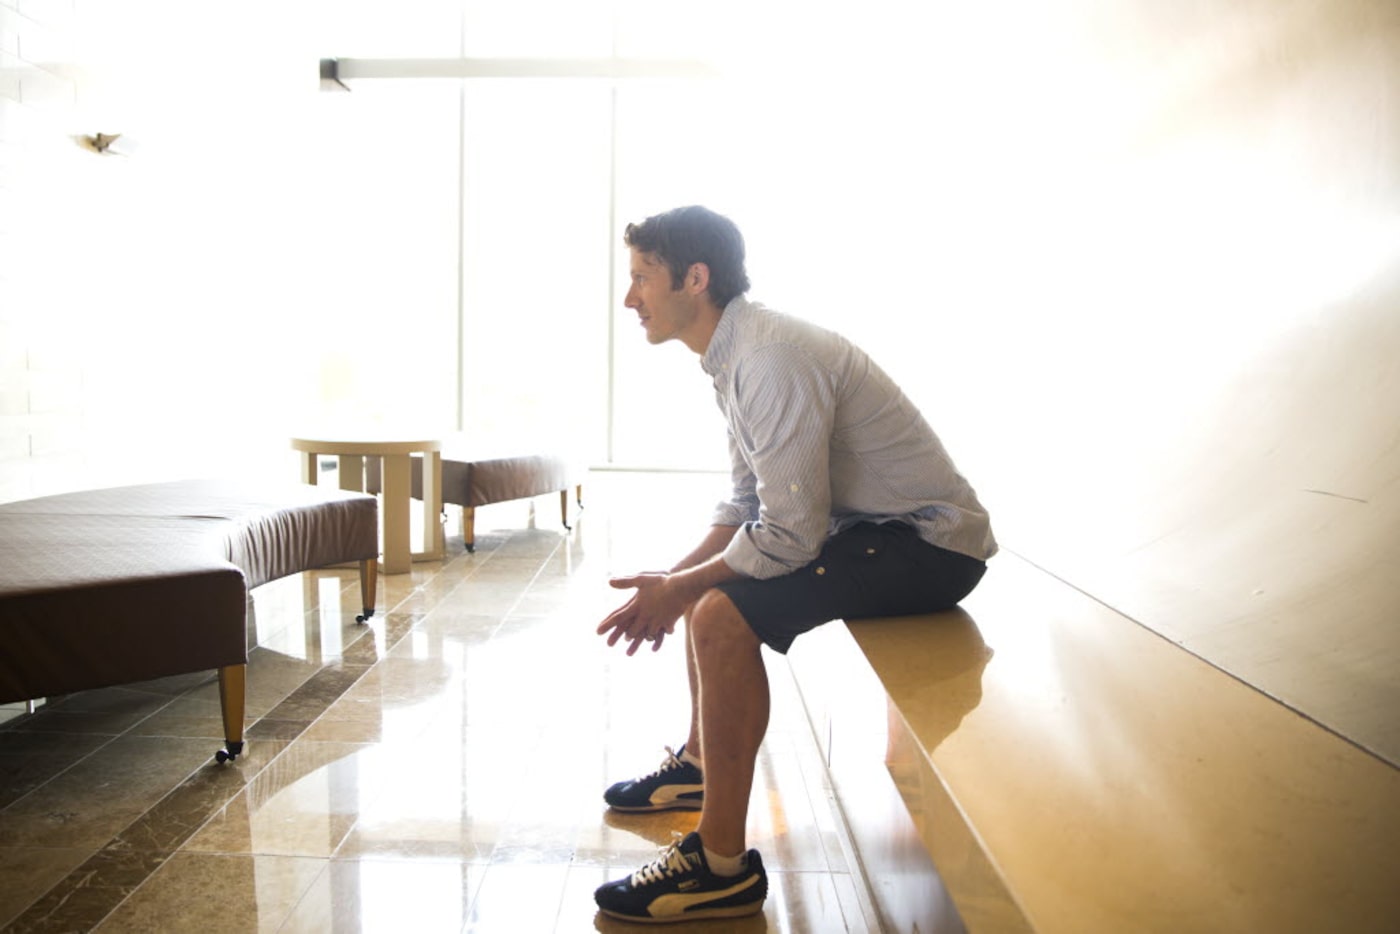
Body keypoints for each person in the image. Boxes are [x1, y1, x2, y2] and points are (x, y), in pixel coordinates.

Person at [592, 205, 997, 925]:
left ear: (695, 277)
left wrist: (685, 590)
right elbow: (747, 501)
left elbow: (789, 534)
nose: (630, 299)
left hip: (929, 547)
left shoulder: (768, 357)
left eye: (641, 278)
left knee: (717, 613)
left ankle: (719, 868)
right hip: (876, 532)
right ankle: (699, 764)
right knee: (703, 598)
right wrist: (668, 583)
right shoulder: (734, 354)